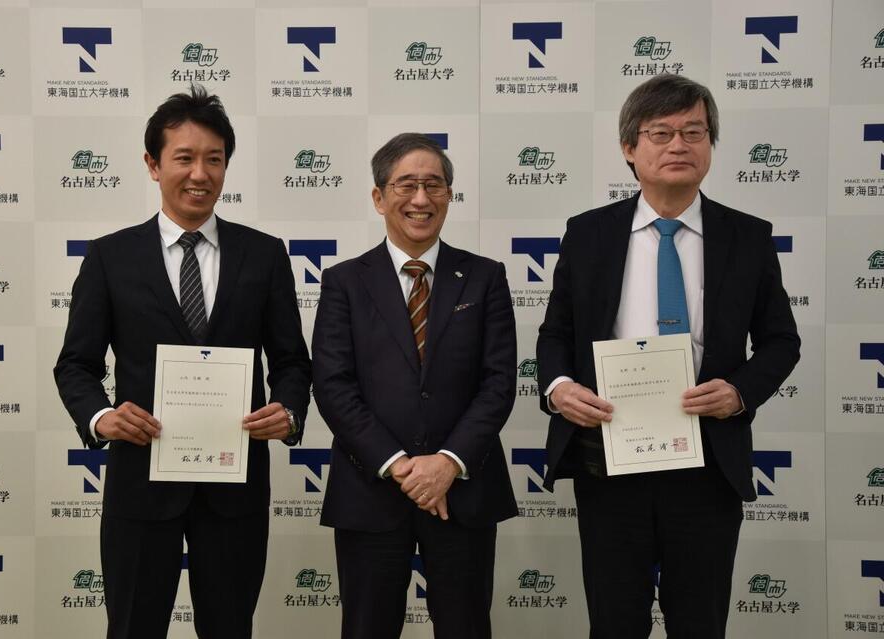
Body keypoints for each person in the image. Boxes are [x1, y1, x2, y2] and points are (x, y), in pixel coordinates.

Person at [536, 74, 801, 638]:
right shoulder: (587, 235)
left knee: (700, 621)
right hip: (610, 455)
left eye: (693, 131)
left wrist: (740, 392)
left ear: (710, 145)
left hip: (707, 458)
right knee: (614, 621)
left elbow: (781, 341)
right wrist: (559, 388)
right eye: (660, 132)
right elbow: (554, 333)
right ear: (630, 149)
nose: (678, 145)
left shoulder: (748, 237)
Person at [54, 86, 311, 639]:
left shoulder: (265, 255)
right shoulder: (110, 257)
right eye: (185, 158)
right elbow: (75, 365)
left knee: (229, 629)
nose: (201, 174)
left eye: (214, 160)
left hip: (235, 489)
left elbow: (292, 360)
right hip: (140, 484)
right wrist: (102, 418)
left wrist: (288, 411)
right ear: (152, 164)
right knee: (132, 627)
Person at [312, 133, 518, 639]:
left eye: (435, 185)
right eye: (407, 185)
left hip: (463, 492)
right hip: (371, 489)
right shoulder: (344, 281)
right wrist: (399, 466)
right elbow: (333, 386)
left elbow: (498, 383)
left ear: (450, 195)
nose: (421, 199)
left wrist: (447, 463)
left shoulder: (485, 277)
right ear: (380, 197)